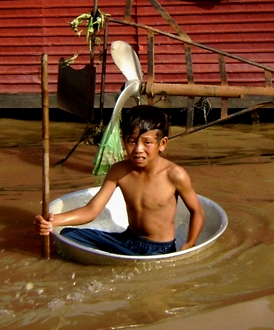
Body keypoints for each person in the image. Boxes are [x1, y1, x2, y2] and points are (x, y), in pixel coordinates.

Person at [35, 105, 204, 256]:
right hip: (127, 239)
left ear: (162, 144)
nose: (138, 149)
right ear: (123, 141)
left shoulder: (174, 175)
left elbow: (197, 212)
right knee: (68, 235)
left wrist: (189, 244)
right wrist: (52, 221)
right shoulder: (119, 170)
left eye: (147, 143)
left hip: (159, 249)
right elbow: (91, 210)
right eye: (132, 141)